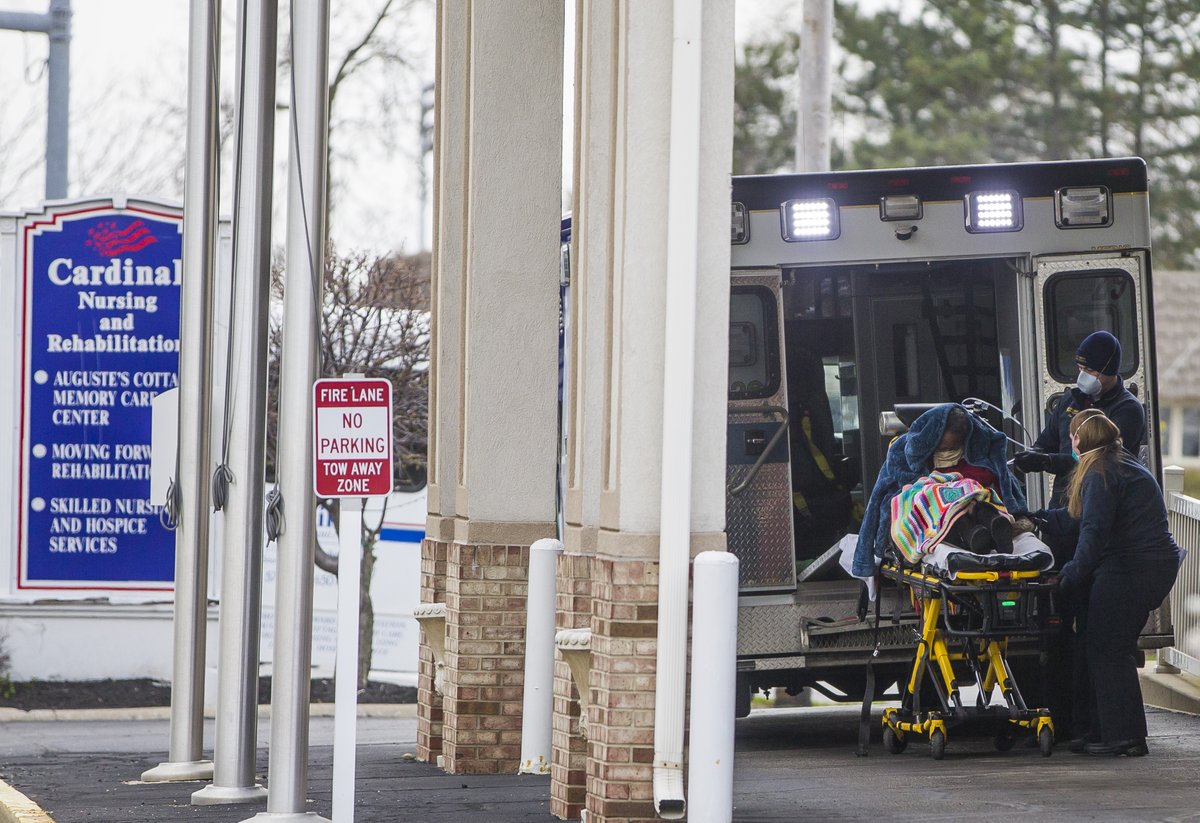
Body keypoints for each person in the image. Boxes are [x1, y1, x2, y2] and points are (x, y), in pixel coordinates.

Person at [1032, 409, 1181, 757]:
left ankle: (1124, 737)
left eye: (1071, 436)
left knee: (1107, 649)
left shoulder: (1099, 473)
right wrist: (1035, 516)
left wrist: (1069, 575)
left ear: (1080, 439)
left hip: (1130, 568)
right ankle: (1118, 732)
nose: (1069, 442)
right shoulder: (1118, 464)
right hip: (1148, 566)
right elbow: (1078, 518)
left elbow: (1093, 533)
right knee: (1113, 648)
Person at [852, 403, 1025, 577]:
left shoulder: (978, 454)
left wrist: (1019, 514)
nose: (948, 453)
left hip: (973, 503)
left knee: (971, 488)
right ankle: (973, 532)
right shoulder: (902, 454)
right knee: (929, 494)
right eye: (943, 449)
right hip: (934, 514)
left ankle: (991, 523)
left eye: (953, 448)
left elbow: (1005, 484)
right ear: (932, 440)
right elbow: (879, 496)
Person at [1014, 330, 1146, 507]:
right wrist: (1033, 454)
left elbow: (1100, 461)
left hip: (1101, 501)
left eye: (1090, 370)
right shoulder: (1071, 399)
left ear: (1109, 369)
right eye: (1080, 368)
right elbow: (1048, 440)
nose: (1083, 375)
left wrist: (1048, 461)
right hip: (1063, 500)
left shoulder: (1128, 409)